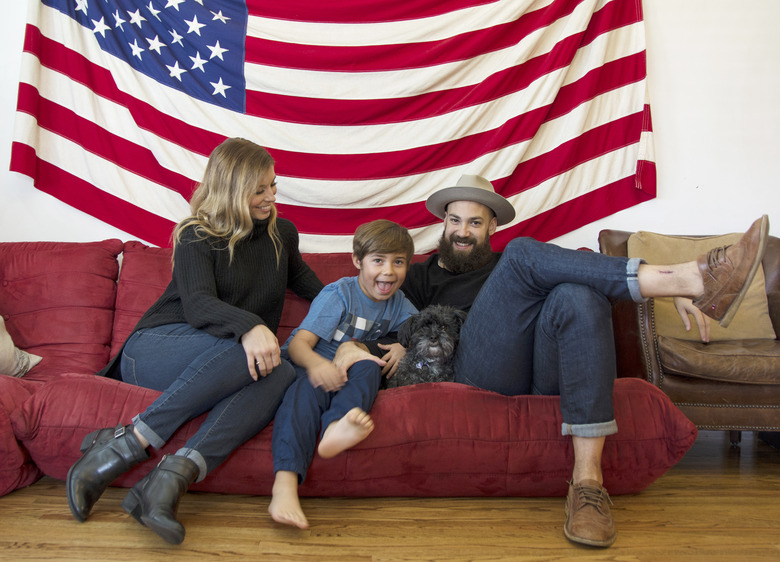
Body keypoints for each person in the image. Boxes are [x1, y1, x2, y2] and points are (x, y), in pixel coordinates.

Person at [335, 174, 769, 548]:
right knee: (532, 256)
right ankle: (684, 277)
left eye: (474, 222)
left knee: (576, 292)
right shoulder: (422, 276)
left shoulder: (509, 268)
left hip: (538, 369)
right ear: (443, 224)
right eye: (454, 220)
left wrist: (664, 298)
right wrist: (377, 347)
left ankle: (586, 486)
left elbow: (581, 268)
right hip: (474, 369)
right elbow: (385, 320)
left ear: (489, 229)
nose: (462, 231)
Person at [65, 138, 324, 544]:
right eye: (259, 189)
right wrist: (251, 326)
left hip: (224, 356)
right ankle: (124, 445)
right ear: (231, 190)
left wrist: (355, 307)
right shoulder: (195, 234)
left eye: (273, 185)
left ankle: (167, 482)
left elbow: (309, 285)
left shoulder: (281, 234)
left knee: (281, 372)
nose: (271, 196)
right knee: (258, 354)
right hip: (157, 346)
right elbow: (199, 304)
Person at [268, 220, 418, 530]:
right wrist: (318, 366)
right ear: (357, 261)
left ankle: (338, 425)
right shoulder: (339, 294)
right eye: (378, 260)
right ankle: (283, 486)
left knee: (368, 364)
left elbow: (421, 330)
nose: (388, 271)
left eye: (398, 262)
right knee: (302, 395)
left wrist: (404, 346)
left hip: (347, 374)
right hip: (309, 368)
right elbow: (298, 345)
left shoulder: (400, 304)